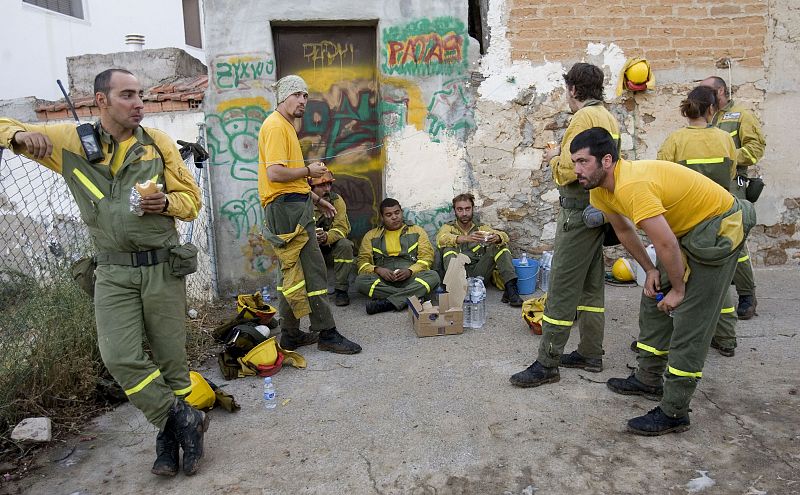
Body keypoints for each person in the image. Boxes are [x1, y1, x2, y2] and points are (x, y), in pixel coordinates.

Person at [0, 69, 208, 476]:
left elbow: (192, 201)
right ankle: (185, 420)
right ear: (101, 101)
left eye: (141, 95)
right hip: (112, 271)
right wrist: (20, 136)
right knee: (120, 357)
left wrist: (166, 203)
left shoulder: (157, 144)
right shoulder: (71, 142)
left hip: (162, 266)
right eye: (127, 95)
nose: (139, 104)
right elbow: (2, 124)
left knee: (172, 362)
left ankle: (169, 438)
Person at [572, 127, 755, 435]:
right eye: (574, 162)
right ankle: (648, 379)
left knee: (691, 320)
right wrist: (650, 270)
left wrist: (680, 290)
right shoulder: (599, 189)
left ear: (606, 160)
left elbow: (666, 243)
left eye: (582, 161)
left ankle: (674, 412)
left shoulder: (633, 186)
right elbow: (625, 231)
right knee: (653, 298)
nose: (576, 170)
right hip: (683, 231)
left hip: (719, 226)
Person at [510, 63, 620, 388]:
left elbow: (571, 170)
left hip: (577, 212)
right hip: (599, 208)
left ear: (572, 89)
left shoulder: (583, 118)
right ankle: (590, 352)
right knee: (591, 286)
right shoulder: (609, 117)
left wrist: (555, 158)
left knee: (560, 287)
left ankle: (547, 362)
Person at [257, 74, 361, 354]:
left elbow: (288, 180)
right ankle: (327, 333)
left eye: (305, 95)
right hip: (286, 208)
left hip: (293, 204)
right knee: (312, 270)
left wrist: (315, 198)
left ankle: (290, 334)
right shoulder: (276, 126)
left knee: (292, 271)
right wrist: (309, 171)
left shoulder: (286, 126)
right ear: (283, 97)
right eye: (297, 95)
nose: (303, 100)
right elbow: (275, 173)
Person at [656, 85, 738, 357]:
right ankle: (725, 337)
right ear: (712, 108)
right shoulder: (725, 139)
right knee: (717, 280)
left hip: (683, 220)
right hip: (718, 219)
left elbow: (661, 179)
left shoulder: (675, 140)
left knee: (673, 277)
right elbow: (731, 172)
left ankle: (661, 341)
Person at [701, 76, 766, 320]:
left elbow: (755, 149)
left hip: (733, 184)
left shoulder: (741, 115)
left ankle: (747, 294)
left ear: (720, 91)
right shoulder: (706, 115)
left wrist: (726, 157)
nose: (703, 94)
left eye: (707, 90)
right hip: (707, 184)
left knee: (735, 241)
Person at [355, 198, 441, 314]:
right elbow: (362, 262)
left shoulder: (417, 231)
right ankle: (412, 297)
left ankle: (387, 302)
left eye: (397, 212)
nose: (394, 217)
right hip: (384, 279)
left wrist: (410, 271)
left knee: (433, 276)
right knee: (360, 281)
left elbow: (426, 259)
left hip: (409, 277)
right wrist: (378, 270)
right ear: (382, 217)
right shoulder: (371, 235)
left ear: (401, 212)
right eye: (389, 215)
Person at [436, 193, 522, 306]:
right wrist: (465, 238)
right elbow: (441, 239)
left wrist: (497, 237)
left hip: (479, 275)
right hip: (457, 276)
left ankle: (511, 289)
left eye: (467, 209)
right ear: (455, 211)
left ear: (473, 209)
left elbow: (504, 236)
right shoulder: (448, 227)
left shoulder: (480, 228)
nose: (464, 213)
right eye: (460, 209)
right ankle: (456, 292)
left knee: (500, 246)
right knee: (448, 249)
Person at [310, 170, 354, 307]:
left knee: (345, 245)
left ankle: (341, 290)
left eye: (329, 184)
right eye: (322, 185)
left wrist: (326, 237)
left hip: (329, 245)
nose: (327, 189)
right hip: (308, 246)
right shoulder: (301, 202)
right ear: (310, 187)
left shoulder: (336, 200)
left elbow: (342, 228)